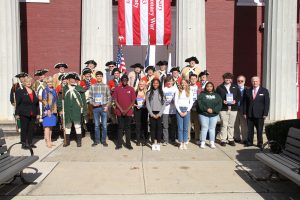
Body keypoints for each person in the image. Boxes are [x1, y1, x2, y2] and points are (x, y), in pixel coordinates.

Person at [57, 72, 87, 147]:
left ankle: (79, 142)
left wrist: (84, 111)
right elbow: (60, 101)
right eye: (71, 79)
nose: (73, 81)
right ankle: (67, 141)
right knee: (67, 126)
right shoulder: (64, 89)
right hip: (67, 110)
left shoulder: (80, 89)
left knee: (77, 125)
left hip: (77, 110)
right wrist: (60, 109)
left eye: (74, 79)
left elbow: (84, 101)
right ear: (68, 80)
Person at [243, 76, 270, 149]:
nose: (255, 83)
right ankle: (249, 142)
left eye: (256, 81)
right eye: (253, 81)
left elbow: (267, 103)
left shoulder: (264, 91)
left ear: (259, 82)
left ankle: (260, 143)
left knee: (259, 130)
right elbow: (245, 103)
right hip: (250, 114)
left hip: (260, 114)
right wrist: (245, 113)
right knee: (250, 129)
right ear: (251, 82)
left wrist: (265, 113)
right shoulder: (248, 91)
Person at [216, 72, 241, 147]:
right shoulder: (219, 87)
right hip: (223, 109)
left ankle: (230, 139)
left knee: (231, 125)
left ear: (231, 79)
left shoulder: (235, 87)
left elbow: (239, 96)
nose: (227, 79)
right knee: (224, 124)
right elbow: (217, 97)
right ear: (224, 79)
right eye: (226, 78)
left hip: (233, 108)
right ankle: (223, 139)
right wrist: (222, 101)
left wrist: (235, 101)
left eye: (229, 78)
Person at [15, 76, 40, 149]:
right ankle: (23, 143)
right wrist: (17, 113)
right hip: (24, 113)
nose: (29, 83)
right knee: (24, 128)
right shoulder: (20, 91)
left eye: (30, 81)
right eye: (27, 82)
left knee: (31, 129)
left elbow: (36, 103)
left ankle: (30, 143)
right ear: (24, 83)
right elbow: (18, 103)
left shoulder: (33, 91)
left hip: (33, 113)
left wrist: (38, 113)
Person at [113, 74, 136, 150]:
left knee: (128, 128)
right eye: (123, 80)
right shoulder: (117, 89)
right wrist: (121, 110)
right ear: (121, 81)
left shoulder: (131, 89)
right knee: (120, 128)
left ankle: (128, 144)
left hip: (128, 112)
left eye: (126, 80)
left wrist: (126, 110)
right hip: (119, 112)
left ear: (127, 81)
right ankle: (119, 144)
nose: (124, 81)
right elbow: (115, 100)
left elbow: (133, 101)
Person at [89, 71, 111, 147]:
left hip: (103, 107)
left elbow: (109, 97)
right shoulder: (92, 86)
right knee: (96, 125)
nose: (99, 77)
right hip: (96, 108)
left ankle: (104, 141)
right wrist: (93, 103)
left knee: (104, 125)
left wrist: (107, 106)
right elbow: (90, 98)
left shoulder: (106, 86)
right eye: (97, 76)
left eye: (100, 76)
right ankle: (97, 140)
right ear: (96, 77)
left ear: (102, 77)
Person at [198, 82, 222, 149]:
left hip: (214, 115)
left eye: (211, 86)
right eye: (208, 86)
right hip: (204, 114)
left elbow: (219, 104)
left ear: (213, 87)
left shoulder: (217, 95)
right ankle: (202, 142)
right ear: (206, 87)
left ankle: (212, 142)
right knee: (204, 128)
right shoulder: (202, 94)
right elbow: (200, 103)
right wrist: (206, 109)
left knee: (212, 128)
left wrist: (213, 110)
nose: (209, 87)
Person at [146, 78, 166, 151]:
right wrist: (151, 113)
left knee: (159, 128)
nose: (155, 84)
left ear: (159, 84)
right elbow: (147, 104)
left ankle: (158, 142)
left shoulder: (162, 92)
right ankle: (153, 142)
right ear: (152, 84)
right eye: (154, 83)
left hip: (159, 113)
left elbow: (164, 104)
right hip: (152, 113)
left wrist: (160, 114)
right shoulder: (148, 92)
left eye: (157, 83)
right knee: (153, 128)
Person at [175, 79, 194, 150]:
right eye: (182, 83)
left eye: (184, 83)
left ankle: (185, 142)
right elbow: (176, 102)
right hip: (179, 109)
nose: (183, 84)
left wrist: (187, 111)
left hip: (187, 110)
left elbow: (191, 102)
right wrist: (179, 111)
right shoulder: (178, 91)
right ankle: (180, 143)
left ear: (187, 84)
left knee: (186, 128)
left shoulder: (190, 91)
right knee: (180, 128)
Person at [42, 76, 58, 148]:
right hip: (47, 110)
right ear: (46, 83)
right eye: (48, 82)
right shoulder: (45, 90)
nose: (50, 83)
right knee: (47, 126)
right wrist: (48, 109)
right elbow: (44, 101)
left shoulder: (54, 90)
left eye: (51, 82)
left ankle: (50, 140)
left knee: (51, 126)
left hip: (54, 110)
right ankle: (47, 141)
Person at [162, 76, 178, 145]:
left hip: (173, 110)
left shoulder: (175, 89)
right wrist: (164, 101)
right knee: (165, 126)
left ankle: (173, 140)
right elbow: (161, 100)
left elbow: (177, 99)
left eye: (171, 81)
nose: (169, 82)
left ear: (173, 82)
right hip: (165, 110)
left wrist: (174, 101)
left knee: (173, 126)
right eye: (168, 81)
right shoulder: (163, 89)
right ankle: (166, 140)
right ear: (166, 82)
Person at [234, 75, 248, 144]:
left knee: (244, 125)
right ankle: (237, 138)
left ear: (244, 82)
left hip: (243, 110)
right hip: (235, 109)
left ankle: (245, 138)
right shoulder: (233, 88)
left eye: (241, 81)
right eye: (238, 81)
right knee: (235, 124)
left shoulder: (248, 90)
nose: (240, 82)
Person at [134, 80, 148, 146]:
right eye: (140, 84)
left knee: (144, 125)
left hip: (144, 110)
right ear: (138, 85)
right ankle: (138, 140)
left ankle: (145, 140)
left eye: (142, 84)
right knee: (137, 125)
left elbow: (148, 102)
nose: (141, 85)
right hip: (137, 110)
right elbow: (132, 102)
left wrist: (144, 106)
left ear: (145, 85)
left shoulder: (147, 92)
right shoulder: (135, 92)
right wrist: (135, 105)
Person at [189, 74, 201, 144]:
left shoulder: (199, 88)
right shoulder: (187, 87)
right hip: (188, 107)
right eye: (192, 78)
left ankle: (197, 138)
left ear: (197, 79)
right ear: (190, 79)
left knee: (197, 124)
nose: (193, 80)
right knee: (188, 124)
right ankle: (188, 138)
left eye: (194, 78)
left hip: (196, 107)